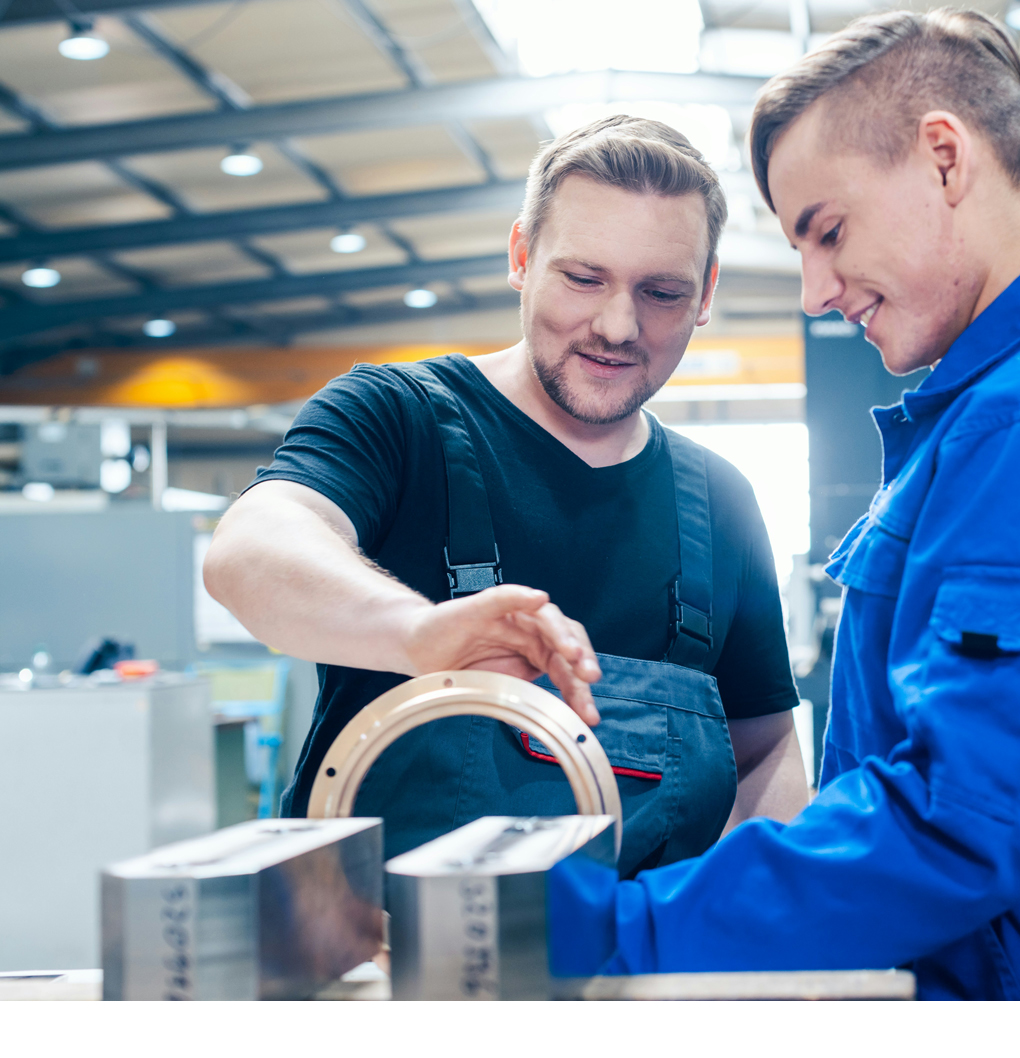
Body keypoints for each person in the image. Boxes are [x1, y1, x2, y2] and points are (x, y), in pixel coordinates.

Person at [550, 10, 1020, 999]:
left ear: (944, 158)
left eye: (828, 231)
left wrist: (619, 925)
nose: (813, 290)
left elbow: (955, 821)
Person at [204, 116, 809, 874]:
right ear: (522, 256)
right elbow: (249, 550)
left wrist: (748, 923)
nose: (618, 326)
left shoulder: (721, 500)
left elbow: (765, 750)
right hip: (391, 969)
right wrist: (418, 634)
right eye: (583, 278)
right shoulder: (395, 416)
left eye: (660, 292)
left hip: (639, 972)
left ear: (706, 292)